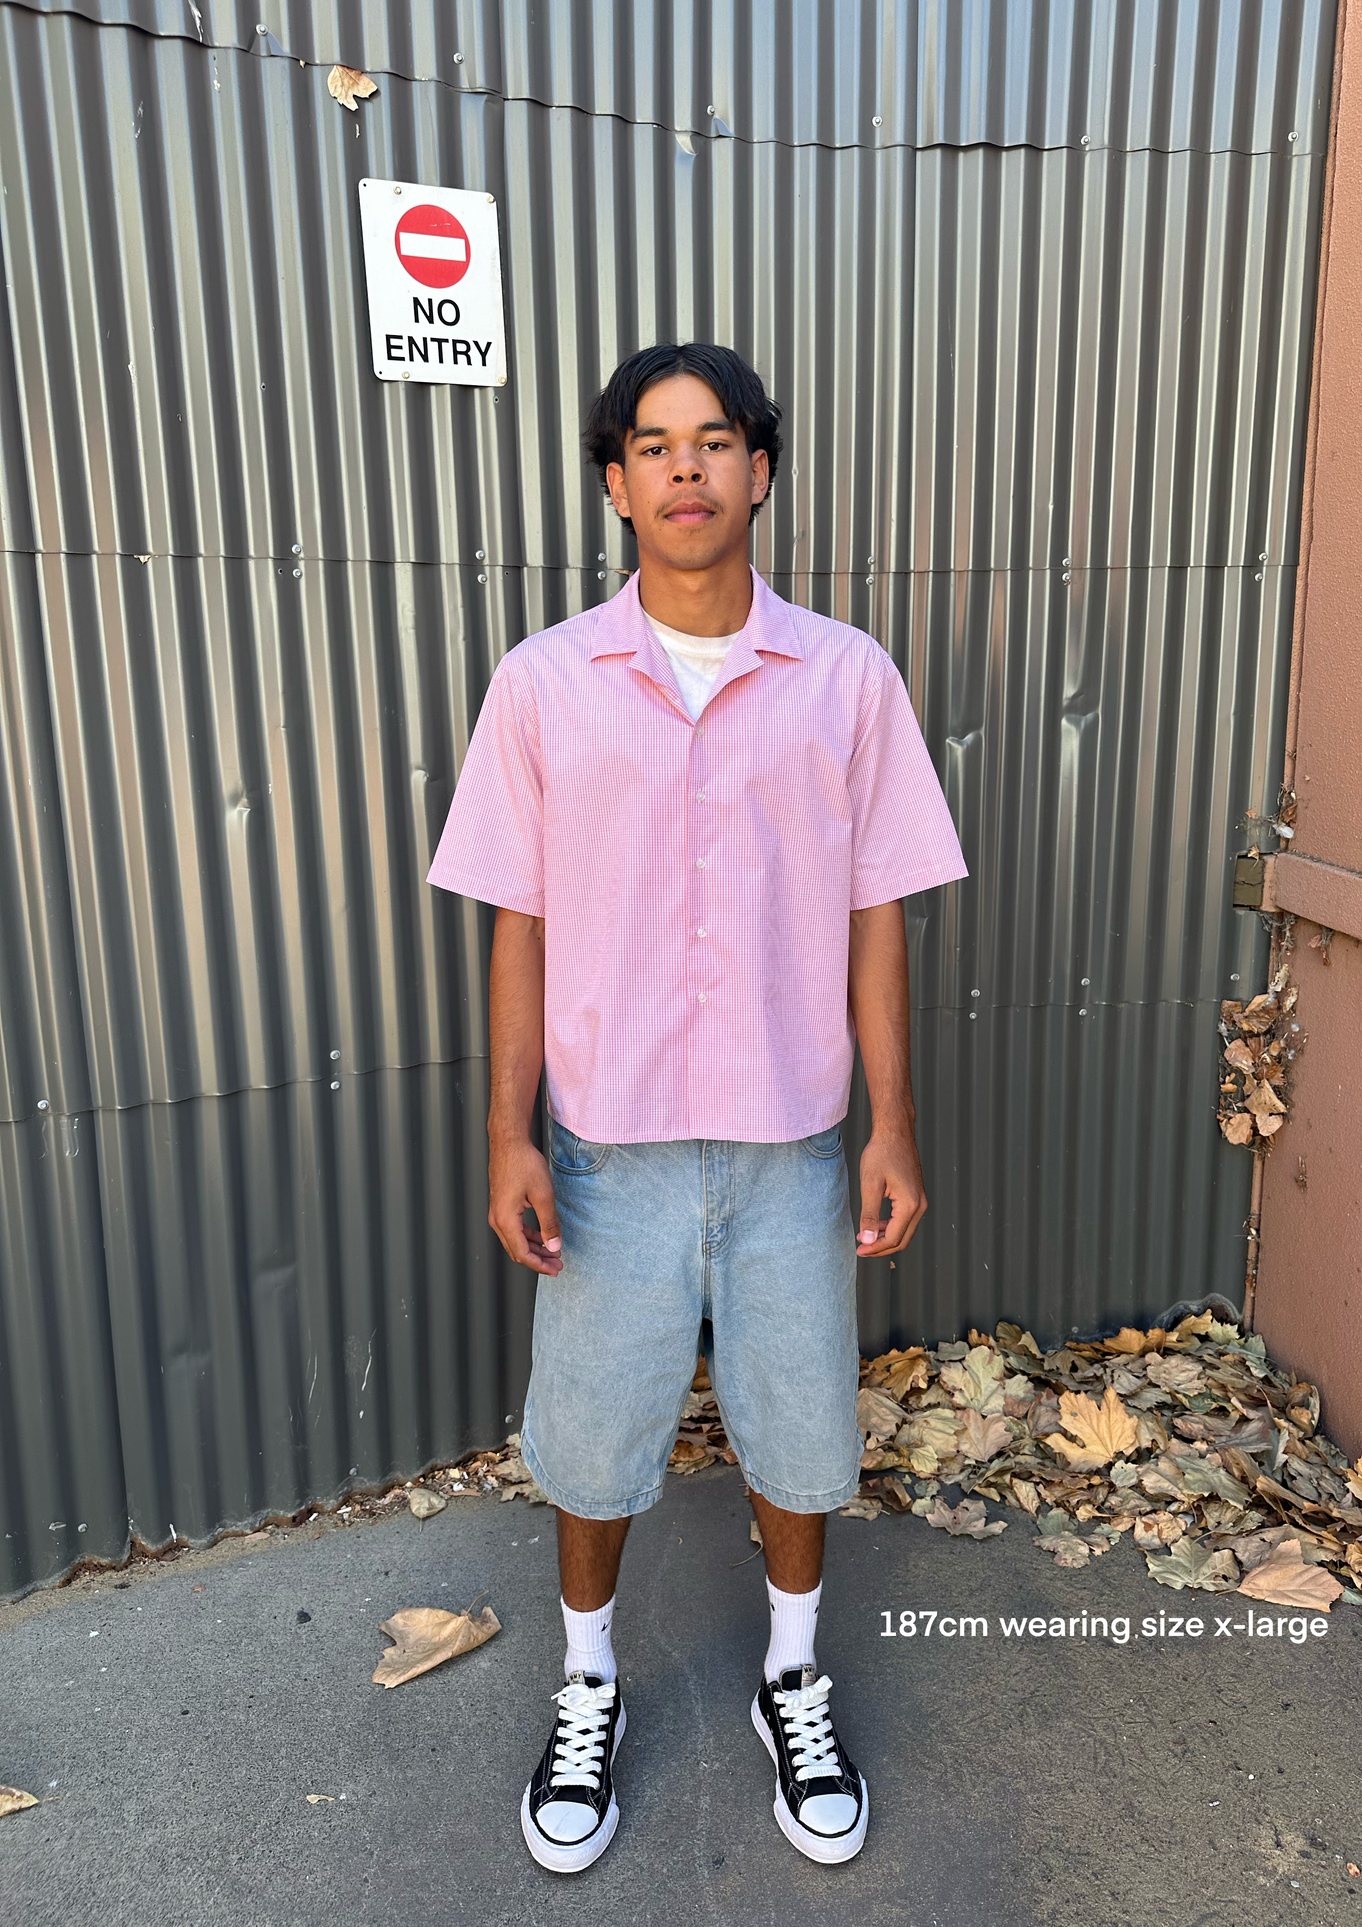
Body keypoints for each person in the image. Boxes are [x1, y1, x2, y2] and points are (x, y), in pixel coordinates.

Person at [427, 342, 968, 1873]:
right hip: (609, 1153)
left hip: (795, 1145)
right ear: (613, 481)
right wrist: (509, 1134)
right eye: (651, 445)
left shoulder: (850, 680)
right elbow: (516, 922)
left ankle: (792, 1670)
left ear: (762, 472)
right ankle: (588, 1678)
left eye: (714, 440)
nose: (684, 469)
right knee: (594, 1446)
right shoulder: (543, 684)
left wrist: (892, 1124)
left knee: (801, 1437)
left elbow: (877, 914)